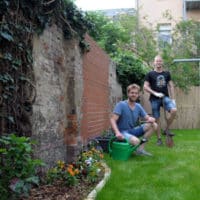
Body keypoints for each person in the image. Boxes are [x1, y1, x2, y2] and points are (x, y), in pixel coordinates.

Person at [110, 83, 157, 156]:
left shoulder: (138, 106)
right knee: (136, 141)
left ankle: (140, 150)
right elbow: (112, 120)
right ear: (128, 93)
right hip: (122, 132)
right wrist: (117, 133)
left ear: (138, 95)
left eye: (136, 93)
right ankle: (136, 148)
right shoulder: (121, 105)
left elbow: (147, 117)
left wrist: (151, 119)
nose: (134, 95)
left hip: (132, 130)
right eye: (132, 93)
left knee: (154, 125)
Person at [143, 55, 177, 146]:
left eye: (160, 61)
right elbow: (145, 87)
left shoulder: (167, 73)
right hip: (154, 99)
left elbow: (171, 86)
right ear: (154, 62)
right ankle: (159, 139)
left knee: (174, 110)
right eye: (157, 61)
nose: (158, 62)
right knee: (156, 118)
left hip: (165, 97)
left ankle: (166, 129)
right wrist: (155, 93)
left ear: (162, 62)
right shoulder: (150, 74)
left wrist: (173, 99)